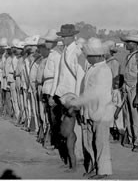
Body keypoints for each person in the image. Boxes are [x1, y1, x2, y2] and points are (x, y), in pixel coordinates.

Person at [62, 38, 115, 179]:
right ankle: (94, 166)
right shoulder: (93, 69)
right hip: (90, 111)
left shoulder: (103, 70)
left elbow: (95, 94)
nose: (86, 58)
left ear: (95, 55)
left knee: (101, 143)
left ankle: (103, 171)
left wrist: (76, 103)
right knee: (89, 142)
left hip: (100, 112)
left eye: (88, 56)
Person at [50, 24, 87, 172]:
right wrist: (54, 94)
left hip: (72, 97)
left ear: (73, 37)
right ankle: (68, 158)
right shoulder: (64, 51)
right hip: (62, 96)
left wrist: (77, 99)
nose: (63, 39)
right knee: (65, 129)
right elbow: (59, 75)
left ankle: (76, 160)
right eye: (62, 36)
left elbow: (80, 77)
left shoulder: (77, 52)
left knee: (73, 130)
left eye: (65, 37)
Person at [119, 34, 138, 152]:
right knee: (128, 116)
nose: (126, 44)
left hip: (134, 88)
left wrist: (137, 95)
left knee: (136, 117)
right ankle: (131, 139)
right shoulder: (128, 56)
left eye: (128, 42)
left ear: (135, 44)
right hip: (126, 88)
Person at [40, 30, 61, 152]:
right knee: (50, 117)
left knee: (54, 118)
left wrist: (52, 94)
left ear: (53, 42)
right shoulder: (51, 55)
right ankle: (53, 141)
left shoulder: (56, 56)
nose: (46, 43)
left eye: (49, 41)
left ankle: (56, 143)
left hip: (52, 86)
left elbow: (57, 76)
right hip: (47, 86)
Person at [104, 41, 123, 143]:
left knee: (114, 113)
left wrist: (114, 91)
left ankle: (116, 135)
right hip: (107, 89)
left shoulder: (114, 62)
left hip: (112, 90)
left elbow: (116, 78)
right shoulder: (106, 62)